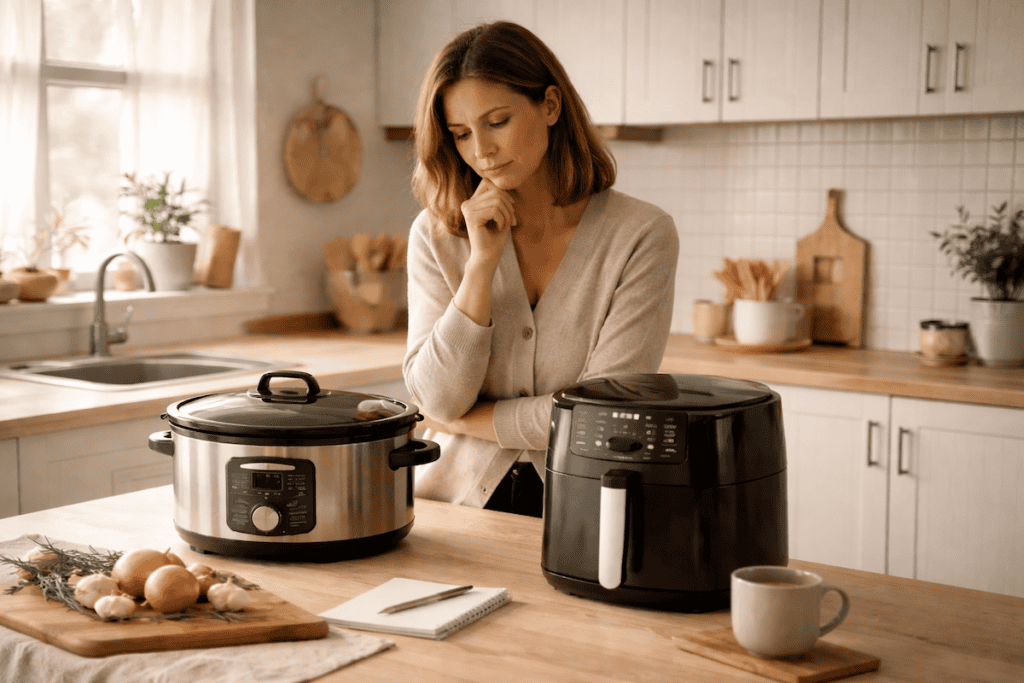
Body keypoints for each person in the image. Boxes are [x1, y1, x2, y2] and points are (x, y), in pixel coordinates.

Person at [402, 21, 679, 517]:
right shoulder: (436, 234)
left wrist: (468, 422)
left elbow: (604, 417)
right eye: (461, 134)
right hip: (451, 513)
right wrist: (481, 266)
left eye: (498, 121)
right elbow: (438, 400)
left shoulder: (642, 234)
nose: (481, 149)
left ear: (550, 105)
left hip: (586, 512)